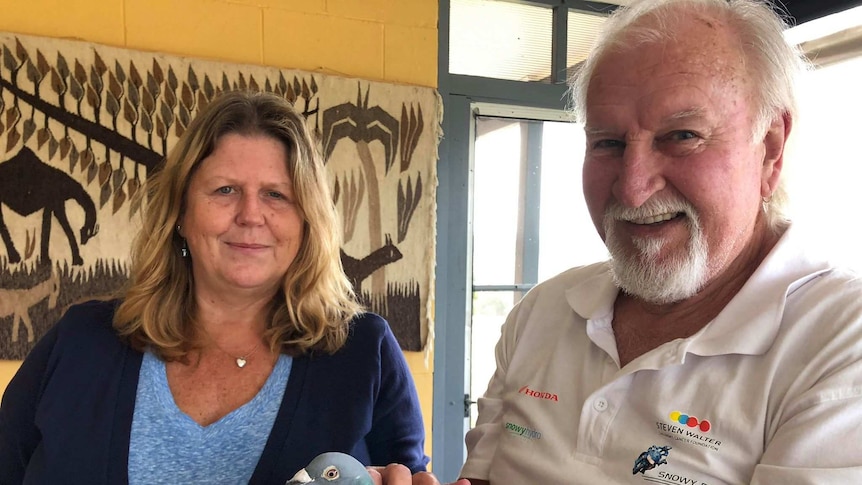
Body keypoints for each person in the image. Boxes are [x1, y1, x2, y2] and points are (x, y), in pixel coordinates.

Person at [382, 0, 862, 484]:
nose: (632, 187)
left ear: (771, 147)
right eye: (607, 142)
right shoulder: (544, 312)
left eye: (681, 135)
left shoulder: (840, 341)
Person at [0, 90, 429, 483]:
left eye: (277, 195)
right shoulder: (80, 342)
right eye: (225, 190)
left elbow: (403, 473)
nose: (250, 215)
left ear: (307, 221)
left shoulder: (363, 353)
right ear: (181, 214)